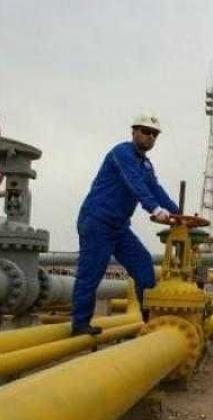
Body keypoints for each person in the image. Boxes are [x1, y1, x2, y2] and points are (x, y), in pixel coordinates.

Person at [71, 114, 180, 336]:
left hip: (119, 227)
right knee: (91, 273)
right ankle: (80, 325)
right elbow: (134, 183)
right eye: (145, 131)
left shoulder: (145, 165)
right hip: (97, 221)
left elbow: (155, 189)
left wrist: (180, 215)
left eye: (154, 134)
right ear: (134, 131)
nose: (150, 137)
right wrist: (154, 209)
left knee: (144, 265)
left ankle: (150, 321)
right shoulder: (121, 153)